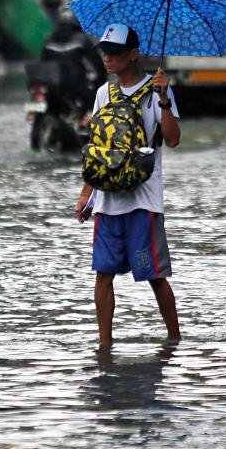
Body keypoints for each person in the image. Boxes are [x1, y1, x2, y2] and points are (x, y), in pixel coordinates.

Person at [75, 24, 181, 349]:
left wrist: (163, 99)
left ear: (134, 54)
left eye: (115, 52)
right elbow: (97, 147)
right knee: (103, 275)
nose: (108, 57)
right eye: (105, 52)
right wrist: (86, 191)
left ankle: (175, 340)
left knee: (154, 276)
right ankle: (104, 347)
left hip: (144, 203)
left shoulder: (158, 90)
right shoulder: (102, 94)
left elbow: (173, 140)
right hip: (108, 202)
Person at [41, 6, 104, 112]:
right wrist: (100, 82)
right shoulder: (82, 40)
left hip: (52, 90)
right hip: (77, 88)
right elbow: (98, 64)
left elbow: (43, 64)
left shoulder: (49, 40)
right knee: (96, 107)